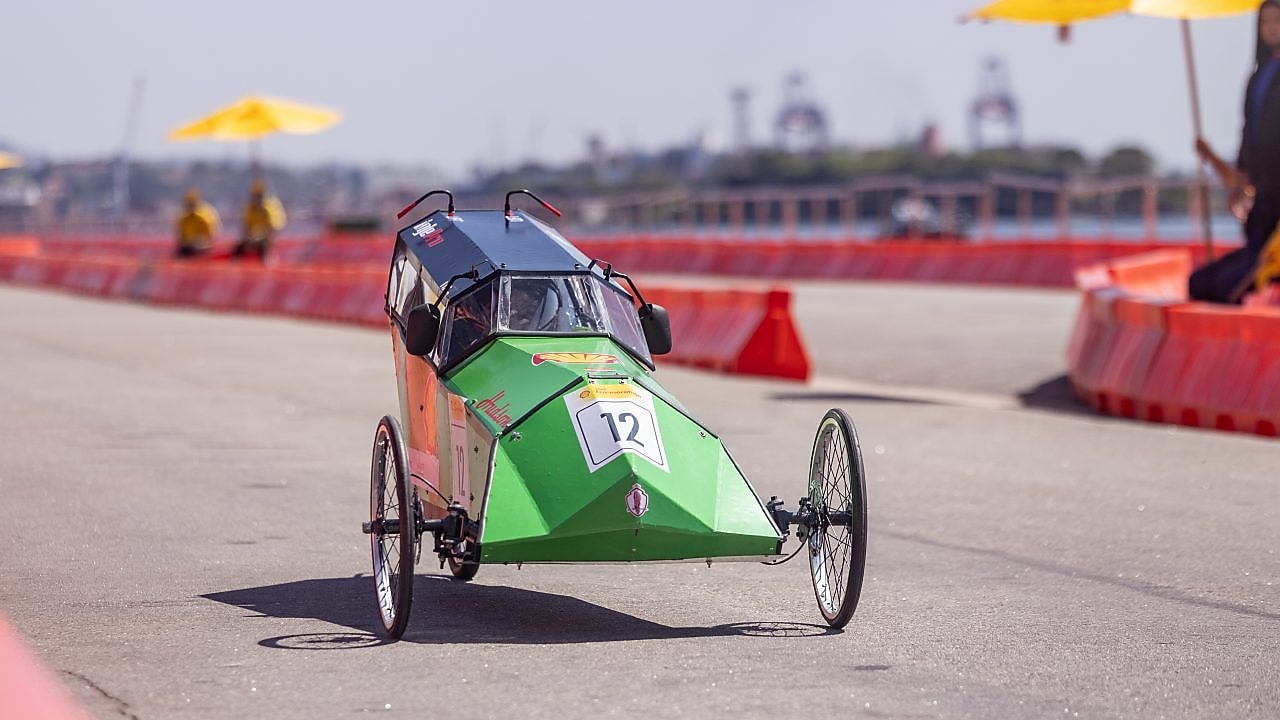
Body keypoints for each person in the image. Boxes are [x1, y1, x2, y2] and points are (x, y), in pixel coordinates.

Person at [1189, 0, 1280, 303]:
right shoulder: (1258, 77)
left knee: (1226, 287)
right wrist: (1213, 158)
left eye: (1277, 21)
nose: (1271, 28)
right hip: (1263, 211)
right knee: (1201, 283)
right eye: (1265, 21)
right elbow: (1247, 148)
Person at [231, 179, 286, 261]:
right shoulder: (249, 208)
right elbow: (246, 226)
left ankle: (267, 265)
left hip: (268, 239)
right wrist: (248, 238)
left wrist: (262, 237)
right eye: (255, 196)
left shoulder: (269, 208)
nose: (256, 198)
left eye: (259, 196)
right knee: (238, 248)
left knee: (264, 247)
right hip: (254, 237)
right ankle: (234, 267)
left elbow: (273, 229)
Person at [174, 188, 220, 258]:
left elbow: (212, 236)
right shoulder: (183, 218)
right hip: (188, 247)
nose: (189, 206)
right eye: (188, 203)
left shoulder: (205, 216)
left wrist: (201, 242)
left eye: (191, 203)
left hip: (203, 247)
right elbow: (181, 237)